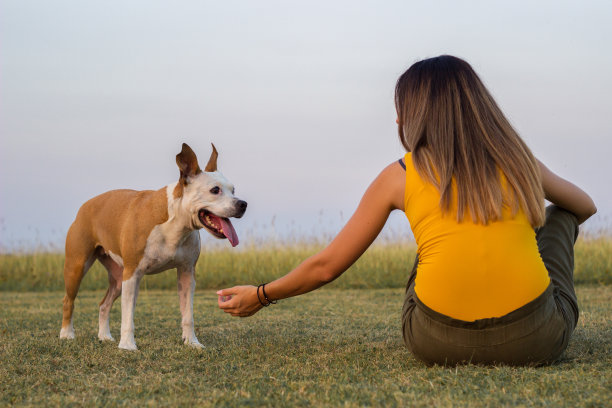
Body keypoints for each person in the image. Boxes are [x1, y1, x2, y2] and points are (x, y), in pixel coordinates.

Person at [216, 55, 597, 366]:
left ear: (417, 115)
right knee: (559, 216)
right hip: (536, 341)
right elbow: (584, 207)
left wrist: (261, 294)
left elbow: (326, 266)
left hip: (435, 342)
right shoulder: (519, 162)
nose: (397, 119)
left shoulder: (399, 176)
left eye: (402, 110)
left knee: (430, 244)